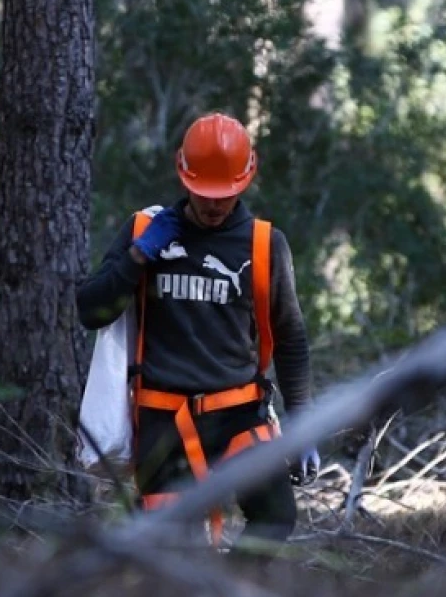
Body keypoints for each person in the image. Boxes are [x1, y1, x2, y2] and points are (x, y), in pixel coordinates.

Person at [77, 112, 319, 544]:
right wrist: (138, 257)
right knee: (168, 548)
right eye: (203, 192)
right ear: (181, 172)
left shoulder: (265, 245)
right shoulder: (144, 232)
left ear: (249, 176)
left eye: (224, 194)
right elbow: (91, 311)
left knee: (276, 518)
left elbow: (291, 338)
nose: (212, 204)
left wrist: (302, 425)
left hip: (238, 416)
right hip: (163, 423)